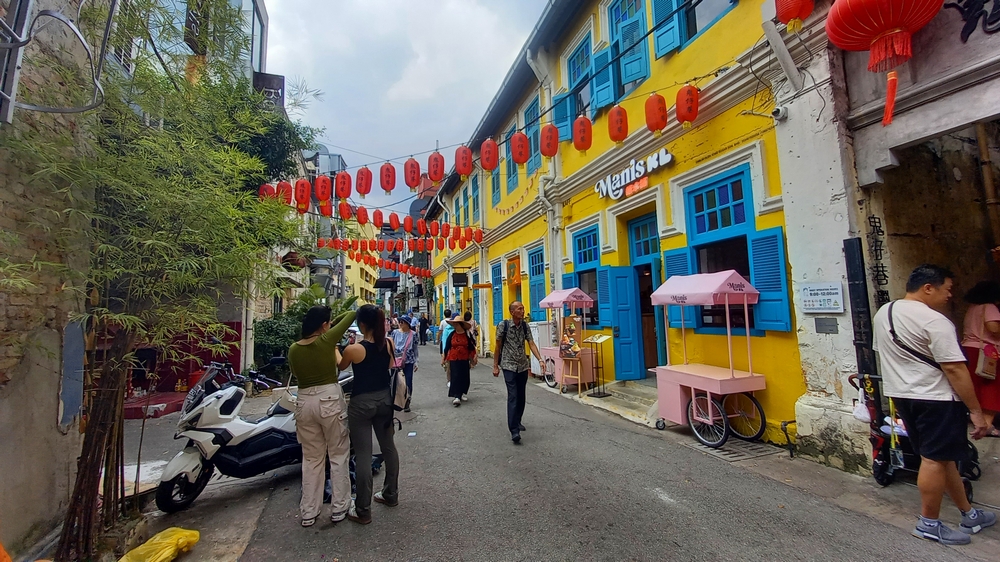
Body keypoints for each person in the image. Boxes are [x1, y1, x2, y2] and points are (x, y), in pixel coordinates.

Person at [872, 265, 994, 545]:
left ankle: (968, 514)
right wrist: (976, 411)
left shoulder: (885, 312)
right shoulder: (934, 320)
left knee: (941, 457)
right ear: (928, 287)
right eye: (947, 289)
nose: (950, 295)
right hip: (935, 398)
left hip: (902, 394)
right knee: (933, 460)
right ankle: (929, 523)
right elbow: (955, 369)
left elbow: (885, 353)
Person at [286, 306, 356, 526]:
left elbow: (296, 375)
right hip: (329, 398)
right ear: (324, 325)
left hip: (304, 401)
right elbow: (352, 314)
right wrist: (331, 323)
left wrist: (325, 323)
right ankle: (340, 507)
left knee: (312, 458)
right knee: (338, 454)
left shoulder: (294, 349)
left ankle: (309, 511)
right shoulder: (327, 340)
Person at [338, 304, 400, 525]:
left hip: (361, 404)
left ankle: (363, 509)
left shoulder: (354, 349)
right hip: (385, 400)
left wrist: (335, 348)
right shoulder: (389, 343)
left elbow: (341, 365)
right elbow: (390, 365)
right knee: (389, 447)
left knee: (363, 454)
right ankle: (390, 494)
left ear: (362, 324)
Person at [493, 302, 544, 444]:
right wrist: (495, 366)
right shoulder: (504, 325)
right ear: (512, 312)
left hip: (522, 365)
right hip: (508, 365)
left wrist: (540, 359)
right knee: (513, 396)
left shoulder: (525, 326)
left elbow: (531, 343)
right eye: (519, 309)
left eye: (523, 308)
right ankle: (514, 430)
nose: (523, 311)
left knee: (521, 396)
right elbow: (497, 346)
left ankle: (518, 420)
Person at [442, 317, 476, 406]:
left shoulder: (467, 335)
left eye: (456, 324)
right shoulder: (452, 334)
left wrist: (473, 358)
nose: (455, 326)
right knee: (455, 376)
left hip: (464, 358)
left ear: (460, 325)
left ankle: (461, 393)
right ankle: (456, 395)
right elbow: (447, 347)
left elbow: (472, 347)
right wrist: (444, 358)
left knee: (464, 376)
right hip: (454, 358)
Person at [392, 315, 419, 412]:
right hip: (396, 361)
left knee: (408, 381)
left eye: (402, 322)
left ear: (407, 324)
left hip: (409, 361)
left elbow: (415, 348)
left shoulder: (413, 334)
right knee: (396, 381)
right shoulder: (394, 333)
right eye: (399, 322)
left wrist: (416, 361)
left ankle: (407, 400)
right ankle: (397, 401)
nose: (400, 324)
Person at [438, 309, 454, 386]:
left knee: (448, 363)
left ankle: (449, 379)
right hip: (449, 345)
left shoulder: (442, 322)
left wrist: (438, 338)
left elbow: (440, 331)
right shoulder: (452, 325)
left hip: (444, 342)